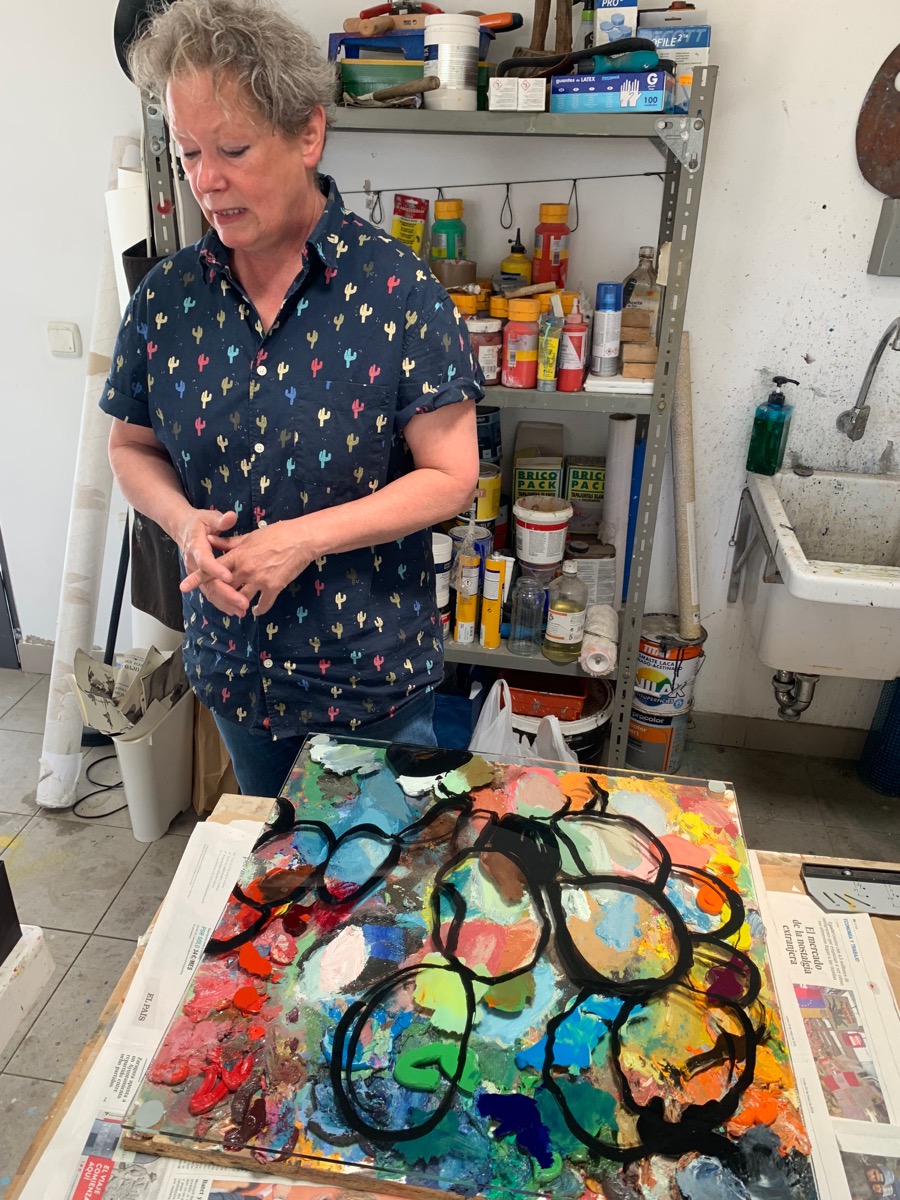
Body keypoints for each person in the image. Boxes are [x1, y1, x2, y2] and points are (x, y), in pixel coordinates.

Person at [101, 0, 482, 798]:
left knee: (374, 868)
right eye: (188, 152)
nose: (207, 180)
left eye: (233, 149)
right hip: (235, 674)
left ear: (308, 135)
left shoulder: (399, 291)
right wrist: (182, 521)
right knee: (275, 860)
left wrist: (302, 540)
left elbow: (451, 477)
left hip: (369, 683)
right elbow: (131, 447)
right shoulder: (167, 299)